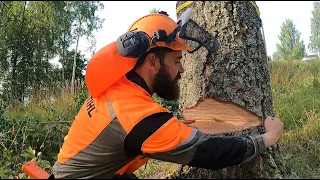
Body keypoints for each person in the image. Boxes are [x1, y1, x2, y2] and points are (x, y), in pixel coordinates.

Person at [51, 11, 284, 179]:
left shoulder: (121, 90)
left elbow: (130, 134)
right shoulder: (138, 118)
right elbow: (210, 153)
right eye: (177, 61)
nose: (182, 70)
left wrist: (169, 130)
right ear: (152, 61)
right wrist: (266, 139)